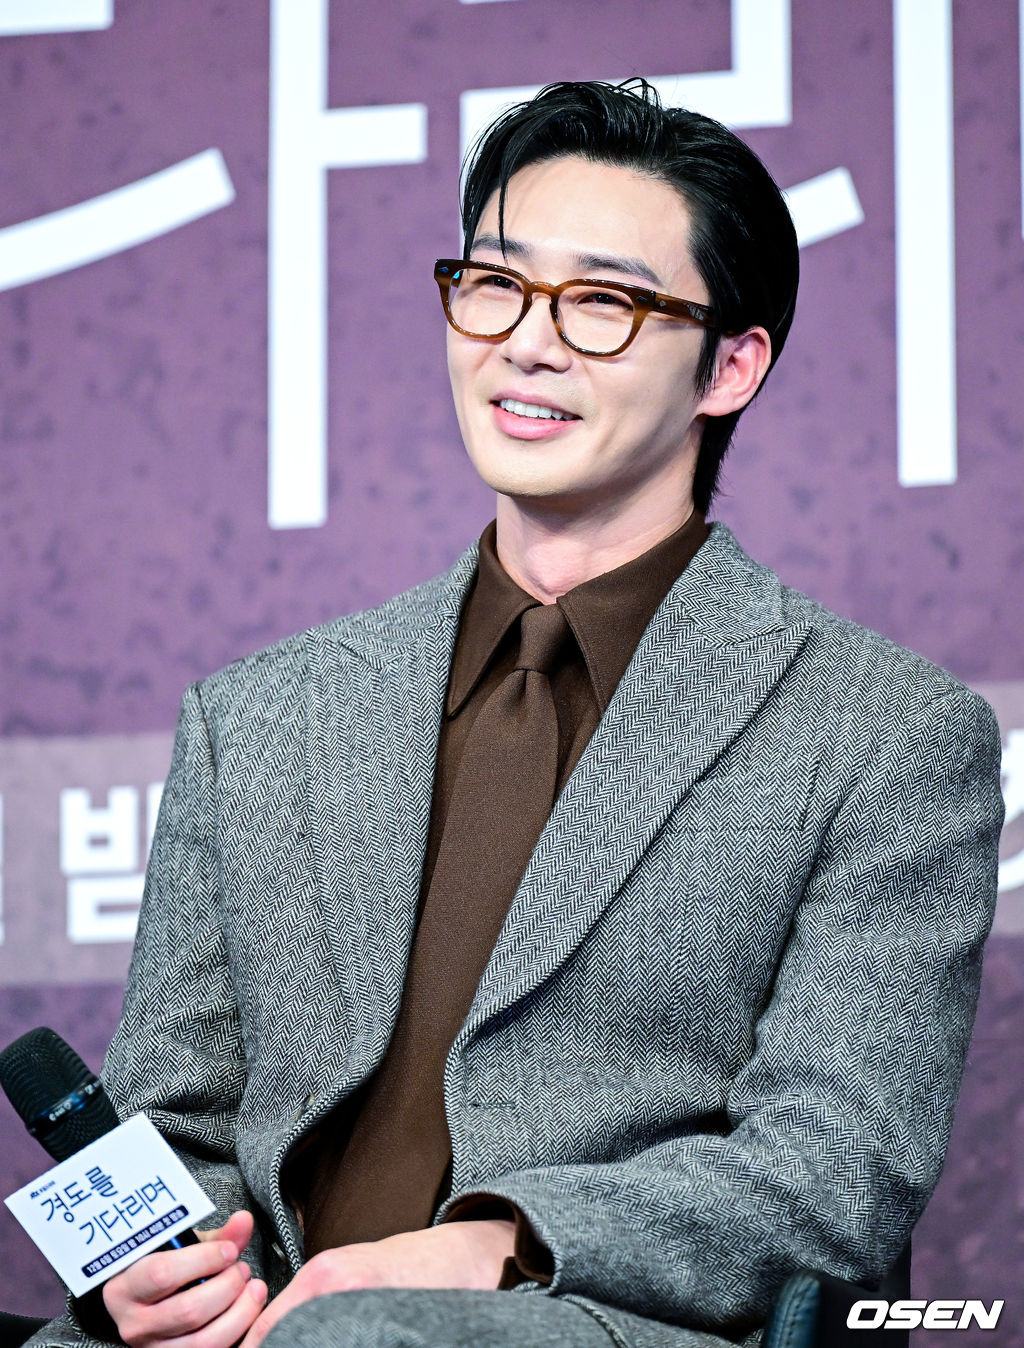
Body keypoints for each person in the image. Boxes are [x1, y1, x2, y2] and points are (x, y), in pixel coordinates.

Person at [27, 79, 1003, 1348]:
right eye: (494, 284)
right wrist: (150, 1273)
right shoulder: (260, 715)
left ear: (729, 366)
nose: (525, 343)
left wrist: (500, 1241)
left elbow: (833, 1174)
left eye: (602, 302)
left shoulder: (881, 734)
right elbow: (176, 1125)